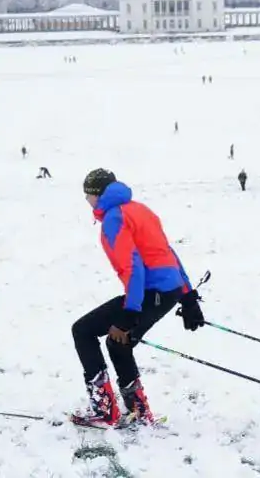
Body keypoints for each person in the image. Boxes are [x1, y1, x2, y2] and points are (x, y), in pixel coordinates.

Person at [71, 169, 205, 428]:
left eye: (88, 195)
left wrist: (129, 313)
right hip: (167, 290)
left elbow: (132, 268)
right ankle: (137, 410)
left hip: (149, 292)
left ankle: (105, 409)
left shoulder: (114, 219)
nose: (87, 201)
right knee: (118, 344)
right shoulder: (140, 210)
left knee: (83, 331)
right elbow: (168, 254)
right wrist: (187, 297)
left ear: (98, 195)